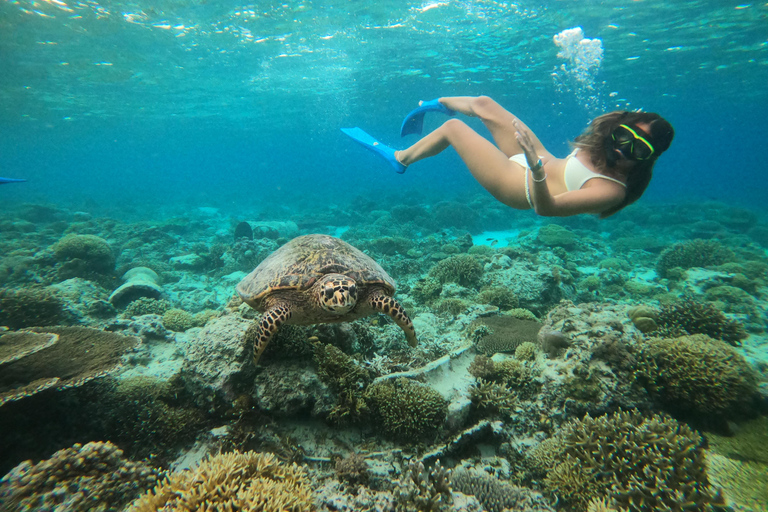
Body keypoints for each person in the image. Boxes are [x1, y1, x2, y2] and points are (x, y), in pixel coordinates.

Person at [341, 96, 674, 218]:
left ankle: (399, 158)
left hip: (522, 187)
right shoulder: (602, 143)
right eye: (623, 137)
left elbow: (547, 209)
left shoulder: (612, 190)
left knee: (455, 129)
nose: (621, 149)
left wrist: (535, 169)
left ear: (648, 159)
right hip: (537, 158)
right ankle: (429, 105)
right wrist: (536, 159)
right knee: (484, 104)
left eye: (638, 150)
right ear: (616, 129)